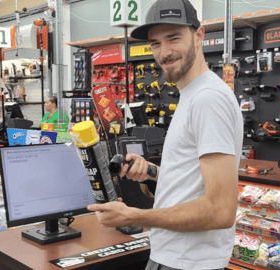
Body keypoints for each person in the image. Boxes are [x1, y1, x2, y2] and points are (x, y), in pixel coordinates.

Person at [87, 1, 244, 269]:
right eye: (155, 43)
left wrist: (133, 216)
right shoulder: (193, 94)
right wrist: (153, 172)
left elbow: (220, 210)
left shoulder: (208, 99)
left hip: (186, 262)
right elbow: (195, 181)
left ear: (199, 35)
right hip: (176, 256)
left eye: (173, 38)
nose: (164, 52)